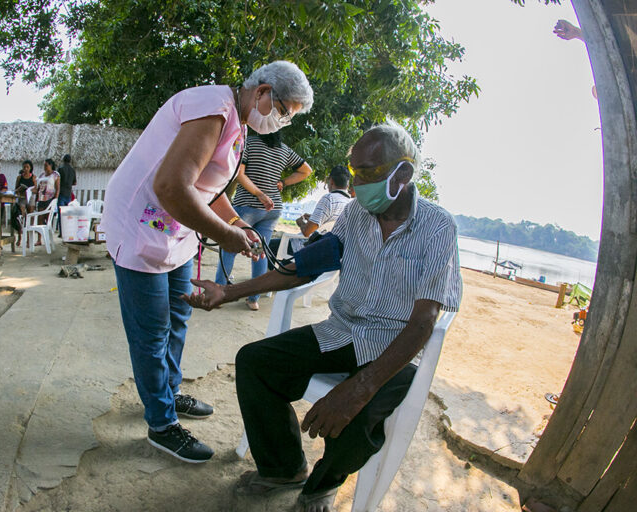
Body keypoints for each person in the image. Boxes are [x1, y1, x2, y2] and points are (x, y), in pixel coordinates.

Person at [184, 123, 462, 511]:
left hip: (394, 346)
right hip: (341, 330)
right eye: (352, 173)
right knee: (255, 362)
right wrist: (228, 292)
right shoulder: (354, 213)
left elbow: (422, 322)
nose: (356, 183)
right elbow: (303, 269)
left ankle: (320, 487)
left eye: (366, 173)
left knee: (360, 418)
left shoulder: (438, 227)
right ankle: (283, 468)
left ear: (403, 174)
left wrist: (359, 387)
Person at [101, 60, 313, 464]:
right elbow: (170, 185)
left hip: (176, 230)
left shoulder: (237, 124)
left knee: (179, 317)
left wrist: (235, 221)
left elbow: (207, 187)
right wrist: (227, 235)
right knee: (151, 330)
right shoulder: (212, 107)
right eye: (285, 111)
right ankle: (161, 424)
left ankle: (169, 390)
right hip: (141, 225)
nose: (284, 122)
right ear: (263, 92)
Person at [214, 131, 312, 310]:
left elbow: (239, 174)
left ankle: (220, 293)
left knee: (229, 247)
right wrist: (284, 182)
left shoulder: (248, 143)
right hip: (272, 209)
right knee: (260, 251)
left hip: (247, 205)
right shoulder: (285, 150)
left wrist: (259, 194)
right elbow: (306, 170)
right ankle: (253, 299)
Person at [268, 164, 352, 262]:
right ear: (347, 184)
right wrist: (313, 218)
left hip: (305, 248)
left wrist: (300, 222)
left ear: (331, 181)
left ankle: (282, 271)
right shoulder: (350, 203)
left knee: (266, 247)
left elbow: (307, 232)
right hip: (328, 249)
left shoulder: (329, 199)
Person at [34, 158, 60, 246]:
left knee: (48, 219)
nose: (45, 167)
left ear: (51, 165)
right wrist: (36, 199)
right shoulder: (41, 175)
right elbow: (38, 188)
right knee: (40, 219)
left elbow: (57, 188)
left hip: (50, 199)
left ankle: (48, 240)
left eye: (46, 165)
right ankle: (39, 239)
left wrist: (55, 200)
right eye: (44, 165)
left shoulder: (55, 175)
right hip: (41, 199)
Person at [12, 160, 37, 246]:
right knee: (20, 218)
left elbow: (36, 189)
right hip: (22, 198)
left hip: (30, 198)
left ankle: (28, 240)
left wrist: (30, 190)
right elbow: (15, 189)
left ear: (30, 168)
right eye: (24, 167)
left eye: (27, 167)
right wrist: (19, 190)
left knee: (29, 218)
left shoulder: (33, 177)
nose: (26, 169)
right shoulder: (19, 177)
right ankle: (19, 238)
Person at [57, 154, 77, 235]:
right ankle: (67, 232)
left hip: (61, 193)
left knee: (61, 214)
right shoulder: (73, 170)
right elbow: (75, 182)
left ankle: (61, 232)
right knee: (67, 215)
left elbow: (57, 180)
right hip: (68, 194)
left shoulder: (60, 169)